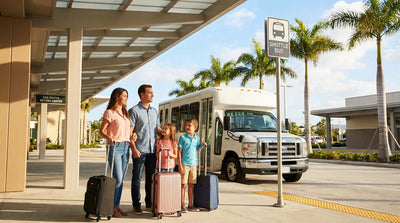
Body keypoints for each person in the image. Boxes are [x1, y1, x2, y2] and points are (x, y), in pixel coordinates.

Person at [129, 84, 162, 215]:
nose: (152, 95)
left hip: (152, 151)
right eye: (150, 93)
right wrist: (134, 149)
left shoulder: (154, 111)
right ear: (142, 94)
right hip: (140, 150)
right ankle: (136, 205)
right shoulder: (134, 111)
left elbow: (158, 129)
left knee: (150, 178)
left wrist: (169, 137)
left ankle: (149, 202)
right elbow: (130, 133)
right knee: (136, 178)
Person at [99, 87, 131, 217]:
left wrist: (132, 136)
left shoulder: (125, 114)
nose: (126, 99)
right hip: (115, 147)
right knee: (117, 178)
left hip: (125, 147)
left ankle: (117, 206)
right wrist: (109, 137)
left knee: (121, 179)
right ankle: (111, 207)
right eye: (124, 96)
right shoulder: (109, 113)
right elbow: (102, 131)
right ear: (117, 97)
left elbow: (127, 131)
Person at [178, 118, 204, 213]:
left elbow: (196, 149)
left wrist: (201, 146)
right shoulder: (183, 138)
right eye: (186, 125)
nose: (187, 127)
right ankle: (181, 205)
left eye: (189, 125)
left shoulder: (197, 138)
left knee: (191, 185)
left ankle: (190, 205)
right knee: (183, 185)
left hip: (194, 164)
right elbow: (179, 152)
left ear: (195, 127)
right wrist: (180, 166)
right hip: (185, 164)